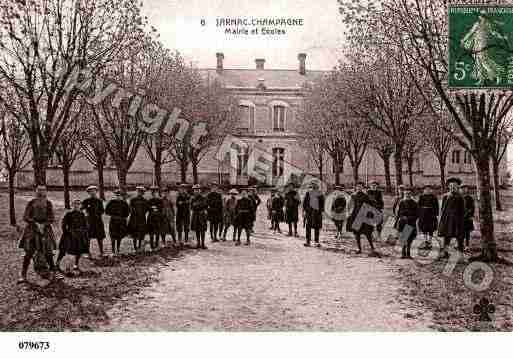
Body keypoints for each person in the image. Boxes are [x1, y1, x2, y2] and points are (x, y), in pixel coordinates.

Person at [18, 185, 61, 283]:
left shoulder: (48, 203)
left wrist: (43, 225)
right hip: (32, 230)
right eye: (39, 190)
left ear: (46, 191)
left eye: (43, 190)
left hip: (45, 230)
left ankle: (54, 273)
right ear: (36, 191)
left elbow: (51, 218)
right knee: (28, 253)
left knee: (48, 252)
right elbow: (25, 217)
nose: (41, 192)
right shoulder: (31, 203)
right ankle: (23, 275)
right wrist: (36, 224)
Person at [56, 198, 89, 272]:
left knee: (79, 250)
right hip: (69, 234)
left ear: (80, 206)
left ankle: (76, 265)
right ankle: (57, 264)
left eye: (78, 204)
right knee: (63, 250)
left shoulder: (82, 214)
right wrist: (67, 232)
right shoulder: (68, 214)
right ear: (72, 205)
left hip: (79, 235)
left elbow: (86, 225)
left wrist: (83, 231)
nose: (76, 205)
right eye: (75, 204)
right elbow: (63, 224)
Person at [346, 182, 377, 255]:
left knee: (367, 233)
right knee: (357, 233)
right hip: (355, 216)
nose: (359, 188)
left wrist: (370, 216)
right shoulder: (353, 195)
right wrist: (349, 213)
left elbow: (371, 206)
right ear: (356, 187)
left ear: (362, 187)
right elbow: (349, 205)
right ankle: (359, 248)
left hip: (364, 217)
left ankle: (372, 248)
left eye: (360, 187)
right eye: (358, 186)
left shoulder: (366, 196)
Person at [438, 177, 465, 257]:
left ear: (457, 187)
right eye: (451, 186)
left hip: (457, 219)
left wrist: (461, 219)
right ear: (449, 187)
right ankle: (445, 253)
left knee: (459, 236)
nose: (453, 187)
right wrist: (442, 220)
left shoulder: (460, 197)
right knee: (447, 236)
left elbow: (463, 210)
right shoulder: (445, 196)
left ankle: (460, 253)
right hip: (447, 219)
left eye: (455, 186)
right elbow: (443, 209)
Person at [81, 185, 106, 258]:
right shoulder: (86, 201)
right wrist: (85, 215)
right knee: (88, 237)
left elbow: (102, 210)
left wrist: (98, 214)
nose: (92, 192)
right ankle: (87, 253)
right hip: (89, 221)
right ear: (88, 193)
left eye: (94, 191)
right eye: (90, 191)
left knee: (100, 237)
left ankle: (101, 252)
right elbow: (81, 209)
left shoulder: (99, 201)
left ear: (96, 192)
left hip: (98, 221)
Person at [105, 189, 130, 256]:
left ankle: (118, 250)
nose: (118, 197)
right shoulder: (111, 202)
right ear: (115, 195)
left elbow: (127, 212)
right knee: (113, 236)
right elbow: (106, 211)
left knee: (119, 236)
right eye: (117, 195)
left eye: (120, 195)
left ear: (122, 196)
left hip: (121, 222)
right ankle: (113, 250)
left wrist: (122, 217)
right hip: (113, 221)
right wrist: (113, 215)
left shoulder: (124, 203)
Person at [396, 187, 419, 259]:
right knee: (403, 238)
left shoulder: (414, 203)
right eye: (406, 193)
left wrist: (410, 218)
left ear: (411, 194)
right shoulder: (401, 202)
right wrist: (402, 217)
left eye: (409, 193)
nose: (407, 195)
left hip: (411, 222)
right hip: (403, 223)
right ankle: (403, 253)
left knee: (410, 239)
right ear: (404, 194)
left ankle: (408, 254)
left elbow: (417, 214)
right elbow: (398, 212)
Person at [303, 181, 325, 247]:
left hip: (317, 213)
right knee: (308, 227)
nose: (312, 188)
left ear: (317, 187)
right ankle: (308, 241)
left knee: (317, 227)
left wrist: (321, 212)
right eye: (311, 186)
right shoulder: (308, 193)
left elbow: (322, 204)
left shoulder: (320, 194)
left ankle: (316, 241)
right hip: (309, 213)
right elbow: (304, 203)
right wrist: (304, 211)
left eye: (314, 186)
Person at [417, 185, 439, 250]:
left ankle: (430, 242)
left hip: (431, 216)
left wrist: (436, 214)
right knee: (424, 229)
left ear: (431, 190)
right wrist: (419, 214)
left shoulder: (434, 197)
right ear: (424, 190)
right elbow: (418, 206)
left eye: (429, 189)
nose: (427, 191)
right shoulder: (421, 197)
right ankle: (425, 241)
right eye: (426, 189)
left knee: (431, 229)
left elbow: (436, 206)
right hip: (423, 216)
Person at [128, 186, 149, 252]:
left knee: (141, 233)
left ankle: (139, 246)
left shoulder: (145, 200)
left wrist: (142, 213)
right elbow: (130, 208)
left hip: (141, 219)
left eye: (141, 192)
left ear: (143, 193)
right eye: (138, 191)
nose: (139, 193)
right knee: (134, 233)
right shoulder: (133, 200)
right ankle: (135, 247)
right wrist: (134, 212)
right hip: (134, 219)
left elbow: (146, 209)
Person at [190, 184, 208, 249]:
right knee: (197, 229)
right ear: (194, 191)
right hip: (195, 215)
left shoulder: (203, 198)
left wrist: (197, 205)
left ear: (200, 190)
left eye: (197, 190)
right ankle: (198, 243)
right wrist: (198, 205)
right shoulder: (192, 198)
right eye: (195, 190)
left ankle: (203, 243)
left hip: (202, 215)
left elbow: (205, 205)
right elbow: (191, 207)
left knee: (202, 230)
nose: (196, 191)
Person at [461, 185, 475, 250]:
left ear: (467, 190)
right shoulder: (459, 197)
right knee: (460, 232)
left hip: (467, 217)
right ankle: (461, 244)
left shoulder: (470, 198)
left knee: (467, 232)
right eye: (462, 189)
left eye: (465, 189)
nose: (464, 190)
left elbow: (472, 208)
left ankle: (467, 245)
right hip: (460, 217)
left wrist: (471, 215)